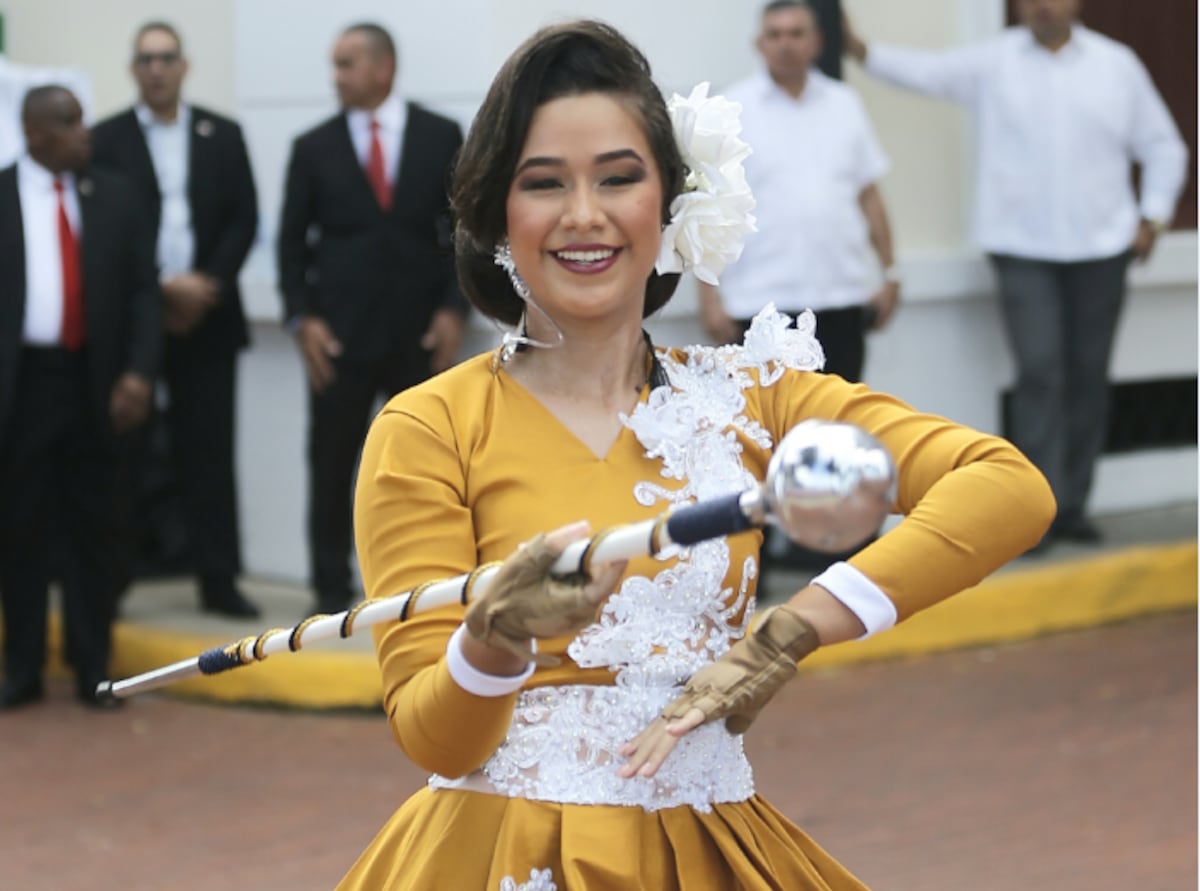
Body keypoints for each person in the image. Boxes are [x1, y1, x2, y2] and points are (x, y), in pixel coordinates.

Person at [339, 20, 1054, 889]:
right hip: (496, 855)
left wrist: (791, 631)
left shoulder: (757, 395)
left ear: (670, 202)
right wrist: (496, 636)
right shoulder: (429, 428)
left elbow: (1007, 488)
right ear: (496, 213)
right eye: (543, 184)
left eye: (619, 177)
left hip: (706, 852)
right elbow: (434, 735)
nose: (585, 215)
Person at [842, 0, 1188, 547]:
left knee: (1087, 375)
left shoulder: (1116, 65)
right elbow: (927, 72)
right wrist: (862, 50)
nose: (1039, 7)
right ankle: (1034, 510)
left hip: (1102, 249)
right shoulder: (995, 61)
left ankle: (1072, 504)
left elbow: (1164, 146)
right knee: (1040, 373)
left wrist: (1154, 217)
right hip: (1022, 251)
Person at [278, 22, 467, 616]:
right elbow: (289, 243)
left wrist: (453, 309)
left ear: (383, 68)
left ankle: (422, 586)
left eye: (346, 64)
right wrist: (300, 319)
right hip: (339, 337)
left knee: (422, 467)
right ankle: (330, 591)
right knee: (332, 462)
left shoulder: (441, 135)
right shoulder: (313, 146)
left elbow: (458, 231)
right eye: (334, 66)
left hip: (419, 337)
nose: (336, 77)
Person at [91, 21, 261, 618]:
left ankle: (218, 580)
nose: (157, 68)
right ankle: (109, 581)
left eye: (167, 57)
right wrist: (160, 289)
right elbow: (103, 231)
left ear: (184, 66)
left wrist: (205, 287)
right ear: (134, 69)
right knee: (121, 449)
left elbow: (245, 219)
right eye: (146, 59)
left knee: (209, 451)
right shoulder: (104, 138)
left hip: (208, 317)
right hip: (134, 318)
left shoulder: (223, 133)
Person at [0, 85, 160, 709]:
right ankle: (24, 667)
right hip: (24, 388)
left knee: (99, 527)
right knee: (22, 529)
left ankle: (94, 666)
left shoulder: (115, 195)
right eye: (68, 123)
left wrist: (139, 374)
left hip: (99, 383)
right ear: (35, 132)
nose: (84, 133)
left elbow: (144, 293)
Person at [701, 0, 900, 385]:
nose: (785, 44)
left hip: (841, 297)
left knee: (839, 426)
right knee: (770, 431)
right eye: (774, 35)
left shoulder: (845, 104)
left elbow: (869, 195)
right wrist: (709, 299)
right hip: (761, 305)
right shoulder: (731, 110)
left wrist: (891, 273)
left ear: (817, 42)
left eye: (796, 34)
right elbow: (710, 206)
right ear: (759, 44)